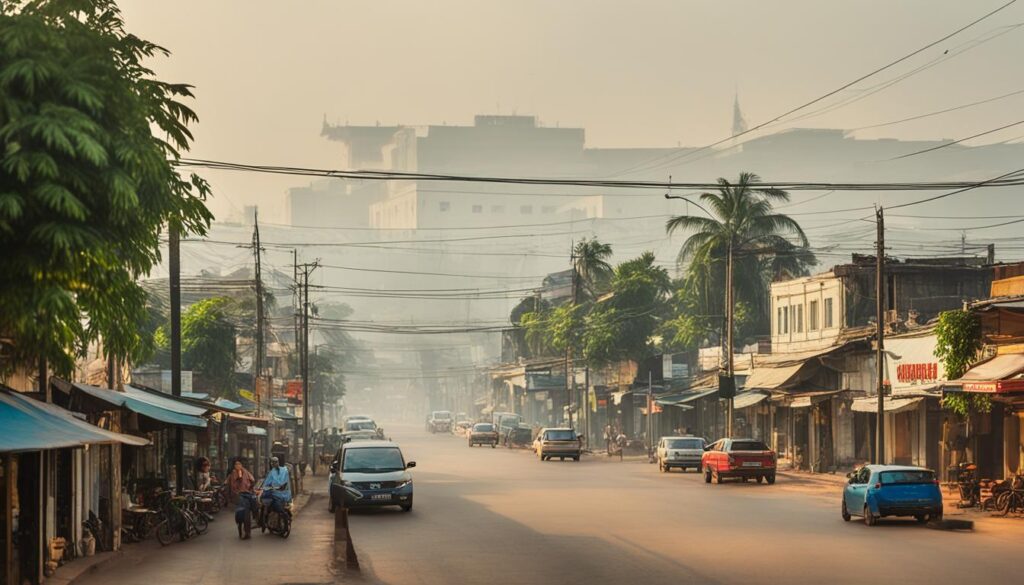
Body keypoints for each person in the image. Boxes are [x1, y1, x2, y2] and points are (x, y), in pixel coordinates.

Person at [260, 456, 292, 526]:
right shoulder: (283, 470)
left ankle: (265, 520)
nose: (274, 464)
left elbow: (266, 484)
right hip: (285, 494)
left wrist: (265, 488)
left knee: (265, 502)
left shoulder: (277, 471)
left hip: (278, 494)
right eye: (273, 462)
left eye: (275, 462)